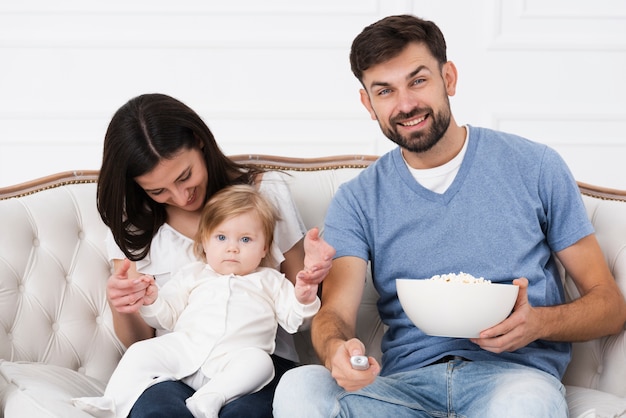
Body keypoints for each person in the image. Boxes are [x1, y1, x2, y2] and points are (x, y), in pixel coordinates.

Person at [273, 14, 626, 418]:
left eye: (418, 80)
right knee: (300, 386)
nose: (405, 104)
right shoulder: (359, 198)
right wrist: (337, 349)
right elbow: (335, 314)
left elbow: (610, 306)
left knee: (525, 405)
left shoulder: (535, 166)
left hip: (514, 383)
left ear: (449, 78)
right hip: (403, 389)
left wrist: (539, 323)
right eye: (385, 91)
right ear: (368, 104)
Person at [96, 93, 335, 418]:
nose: (181, 196)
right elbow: (140, 341)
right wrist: (122, 305)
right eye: (158, 191)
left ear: (200, 142)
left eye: (185, 176)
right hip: (178, 363)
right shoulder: (131, 223)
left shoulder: (263, 193)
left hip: (254, 364)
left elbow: (301, 314)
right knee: (155, 412)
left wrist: (312, 277)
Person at [74, 185, 321, 418]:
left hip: (234, 362)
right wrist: (152, 300)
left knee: (261, 364)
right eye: (221, 238)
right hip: (186, 351)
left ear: (265, 248)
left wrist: (304, 295)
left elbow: (293, 318)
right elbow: (168, 314)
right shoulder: (193, 274)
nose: (232, 248)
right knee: (141, 352)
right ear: (205, 242)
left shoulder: (271, 281)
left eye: (245, 240)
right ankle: (114, 400)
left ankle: (211, 397)